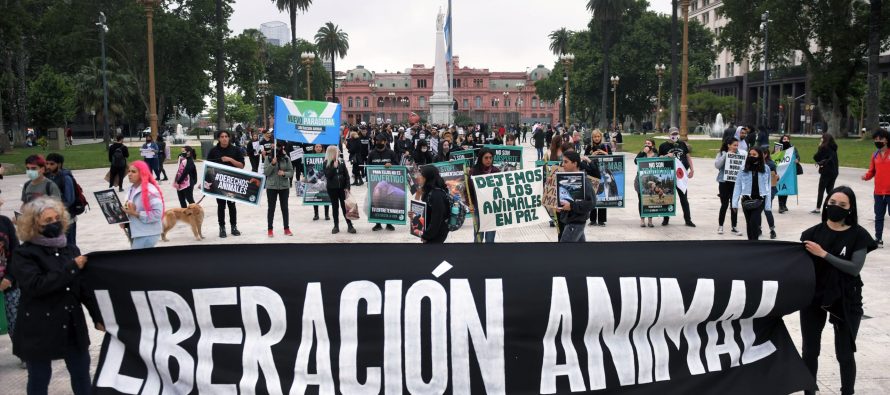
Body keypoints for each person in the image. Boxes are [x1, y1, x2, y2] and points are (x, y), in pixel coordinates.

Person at [11, 196, 103, 394]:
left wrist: (98, 316)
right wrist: (71, 268)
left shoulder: (70, 249)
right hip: (39, 327)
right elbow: (36, 285)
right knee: (39, 378)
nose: (54, 224)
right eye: (47, 221)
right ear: (34, 224)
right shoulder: (24, 253)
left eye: (56, 219)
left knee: (82, 375)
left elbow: (83, 288)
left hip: (71, 324)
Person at [800, 186, 877, 395]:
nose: (836, 208)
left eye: (842, 205)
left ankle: (847, 392)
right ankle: (809, 392)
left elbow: (854, 268)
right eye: (832, 203)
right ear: (826, 204)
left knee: (844, 353)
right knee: (810, 351)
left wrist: (824, 254)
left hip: (846, 298)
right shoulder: (812, 234)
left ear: (850, 208)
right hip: (814, 297)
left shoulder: (859, 235)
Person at [205, 130, 245, 238]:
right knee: (221, 206)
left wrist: (230, 159)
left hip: (232, 183)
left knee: (232, 205)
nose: (224, 138)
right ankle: (222, 228)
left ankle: (234, 227)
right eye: (222, 136)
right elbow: (208, 168)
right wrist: (204, 182)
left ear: (229, 138)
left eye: (226, 136)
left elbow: (241, 165)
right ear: (218, 138)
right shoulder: (213, 151)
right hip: (218, 183)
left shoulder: (236, 150)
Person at [658, 127, 696, 227]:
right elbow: (659, 157)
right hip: (669, 175)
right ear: (669, 135)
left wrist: (692, 169)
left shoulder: (682, 144)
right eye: (673, 134)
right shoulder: (663, 145)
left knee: (684, 198)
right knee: (667, 197)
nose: (675, 136)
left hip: (681, 175)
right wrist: (666, 155)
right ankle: (666, 218)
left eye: (676, 134)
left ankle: (688, 220)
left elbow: (688, 156)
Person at [0, 199, 22, 368]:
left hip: (9, 283)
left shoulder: (5, 222)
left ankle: (23, 352)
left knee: (15, 320)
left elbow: (16, 252)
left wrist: (9, 277)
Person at [731, 147, 770, 241]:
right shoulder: (743, 168)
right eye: (750, 154)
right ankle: (750, 243)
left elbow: (768, 186)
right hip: (746, 200)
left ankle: (755, 243)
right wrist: (734, 203)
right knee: (748, 223)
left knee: (754, 222)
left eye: (754, 155)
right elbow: (738, 186)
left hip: (760, 200)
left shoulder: (766, 168)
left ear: (759, 156)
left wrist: (768, 205)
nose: (751, 156)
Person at [124, 161, 164, 249]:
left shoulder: (151, 190)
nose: (129, 174)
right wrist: (123, 221)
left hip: (148, 233)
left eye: (133, 172)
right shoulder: (131, 189)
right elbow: (128, 209)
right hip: (136, 232)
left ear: (142, 174)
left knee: (136, 261)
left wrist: (136, 213)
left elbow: (158, 214)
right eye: (129, 171)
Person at [558, 151, 595, 242]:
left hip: (576, 222)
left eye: (566, 162)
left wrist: (571, 206)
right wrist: (560, 207)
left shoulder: (584, 181)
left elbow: (592, 203)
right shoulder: (567, 179)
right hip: (570, 221)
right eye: (563, 162)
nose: (563, 165)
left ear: (575, 163)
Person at [862, 129, 890, 247]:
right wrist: (866, 176)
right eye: (876, 139)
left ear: (886, 140)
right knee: (878, 216)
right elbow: (872, 171)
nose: (877, 141)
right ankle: (878, 238)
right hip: (878, 191)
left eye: (880, 139)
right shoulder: (875, 155)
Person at [44, 153, 78, 246]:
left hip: (67, 218)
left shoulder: (66, 178)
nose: (48, 166)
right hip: (54, 217)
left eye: (51, 164)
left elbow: (69, 200)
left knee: (69, 245)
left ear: (59, 164)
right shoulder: (48, 176)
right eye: (47, 164)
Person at [412, 165, 450, 243]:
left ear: (428, 177)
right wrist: (413, 215)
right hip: (429, 231)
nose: (418, 177)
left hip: (436, 234)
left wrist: (426, 236)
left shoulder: (437, 195)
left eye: (421, 174)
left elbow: (437, 220)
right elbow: (426, 212)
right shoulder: (428, 191)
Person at [714, 138, 744, 236]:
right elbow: (717, 165)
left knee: (734, 204)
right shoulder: (722, 153)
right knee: (724, 204)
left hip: (735, 183)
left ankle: (734, 226)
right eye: (734, 145)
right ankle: (720, 225)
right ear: (729, 145)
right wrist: (726, 155)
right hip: (724, 182)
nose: (736, 147)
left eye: (737, 145)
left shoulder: (740, 154)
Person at [323, 146, 356, 234]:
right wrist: (334, 167)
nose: (338, 153)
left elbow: (346, 176)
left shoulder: (341, 161)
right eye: (336, 152)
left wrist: (347, 187)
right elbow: (328, 176)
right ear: (332, 153)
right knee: (335, 207)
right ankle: (336, 226)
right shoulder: (326, 162)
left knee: (345, 207)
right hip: (332, 189)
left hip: (342, 188)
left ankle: (349, 225)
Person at [469, 148, 500, 243]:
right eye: (486, 158)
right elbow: (469, 190)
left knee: (490, 239)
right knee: (478, 237)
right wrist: (470, 204)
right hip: (478, 207)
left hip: (492, 208)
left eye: (490, 158)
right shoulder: (473, 172)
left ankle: (489, 255)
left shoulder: (496, 171)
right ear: (480, 158)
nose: (488, 160)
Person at [264, 142, 294, 237]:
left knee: (284, 208)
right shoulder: (268, 158)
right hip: (271, 187)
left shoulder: (286, 158)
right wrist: (272, 164)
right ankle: (270, 229)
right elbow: (266, 172)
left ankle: (286, 228)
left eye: (278, 147)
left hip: (284, 187)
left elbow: (291, 172)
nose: (276, 148)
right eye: (274, 146)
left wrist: (284, 173)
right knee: (271, 208)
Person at [586, 130, 612, 226]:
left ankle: (601, 220)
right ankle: (592, 219)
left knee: (602, 197)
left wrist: (603, 153)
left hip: (603, 173)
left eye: (598, 136)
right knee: (593, 196)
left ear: (601, 137)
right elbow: (585, 159)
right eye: (594, 137)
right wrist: (592, 155)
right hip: (592, 174)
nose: (596, 138)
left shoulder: (606, 146)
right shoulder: (589, 147)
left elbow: (612, 158)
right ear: (592, 138)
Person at [635, 139, 659, 227]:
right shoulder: (642, 154)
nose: (647, 145)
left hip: (651, 181)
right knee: (641, 200)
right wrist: (642, 152)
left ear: (653, 145)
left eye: (649, 143)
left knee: (650, 199)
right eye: (645, 143)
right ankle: (642, 219)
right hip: (640, 180)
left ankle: (650, 220)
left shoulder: (656, 155)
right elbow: (635, 161)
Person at [813, 132, 839, 214]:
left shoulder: (823, 148)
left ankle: (818, 208)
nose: (821, 139)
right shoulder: (834, 148)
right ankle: (833, 206)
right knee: (830, 190)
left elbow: (816, 157)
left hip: (826, 172)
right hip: (834, 172)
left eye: (822, 138)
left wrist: (819, 146)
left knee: (821, 190)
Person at [776, 134, 800, 213]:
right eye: (784, 139)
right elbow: (775, 157)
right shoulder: (778, 147)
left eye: (787, 139)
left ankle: (784, 204)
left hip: (789, 172)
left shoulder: (792, 148)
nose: (786, 141)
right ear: (781, 140)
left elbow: (797, 156)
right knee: (781, 188)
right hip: (780, 172)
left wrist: (797, 159)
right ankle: (780, 205)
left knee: (786, 188)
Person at [309, 144, 330, 221]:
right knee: (315, 196)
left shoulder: (326, 157)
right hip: (315, 179)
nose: (318, 148)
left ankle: (326, 214)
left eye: (320, 147)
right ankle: (316, 214)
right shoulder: (310, 157)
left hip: (324, 178)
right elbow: (307, 168)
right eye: (316, 147)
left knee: (325, 195)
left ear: (322, 148)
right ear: (314, 148)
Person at [762, 146, 779, 239]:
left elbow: (774, 178)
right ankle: (758, 228)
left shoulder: (770, 164)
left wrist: (776, 177)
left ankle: (772, 230)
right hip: (759, 191)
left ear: (766, 154)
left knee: (767, 209)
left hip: (769, 190)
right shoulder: (755, 163)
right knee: (758, 211)